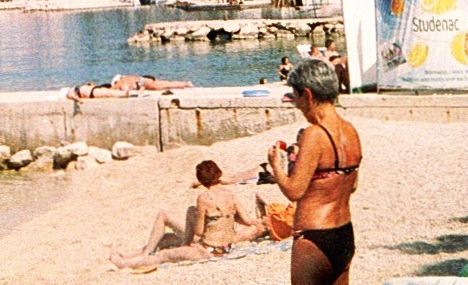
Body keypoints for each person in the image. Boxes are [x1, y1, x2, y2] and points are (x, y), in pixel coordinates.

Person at [267, 58, 361, 285]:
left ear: (308, 95)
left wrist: (276, 166)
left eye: (296, 98)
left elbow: (294, 190)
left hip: (314, 236)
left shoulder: (314, 134)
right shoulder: (351, 131)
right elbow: (353, 185)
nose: (297, 106)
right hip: (344, 233)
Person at [108, 159, 263, 270]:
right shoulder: (231, 196)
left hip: (207, 250)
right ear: (218, 175)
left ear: (201, 180)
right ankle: (135, 254)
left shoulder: (204, 198)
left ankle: (125, 263)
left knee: (164, 255)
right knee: (169, 237)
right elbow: (248, 221)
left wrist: (196, 222)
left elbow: (199, 231)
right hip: (226, 248)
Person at [112, 74, 193, 91]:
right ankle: (185, 83)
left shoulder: (122, 81)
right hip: (144, 79)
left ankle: (185, 84)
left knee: (162, 86)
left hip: (141, 82)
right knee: (166, 84)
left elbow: (111, 90)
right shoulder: (129, 77)